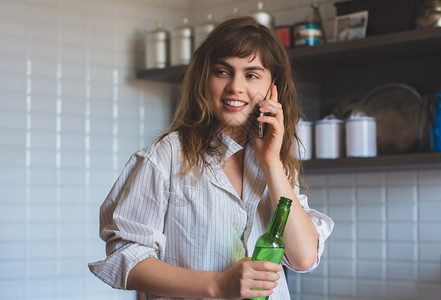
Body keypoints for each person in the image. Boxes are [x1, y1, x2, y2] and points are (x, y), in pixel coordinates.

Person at [89, 16, 333, 299]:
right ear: (204, 79)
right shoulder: (165, 157)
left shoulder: (276, 164)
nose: (235, 87)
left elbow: (303, 258)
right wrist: (218, 285)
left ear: (272, 88)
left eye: (252, 75)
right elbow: (127, 259)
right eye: (222, 71)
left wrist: (271, 165)